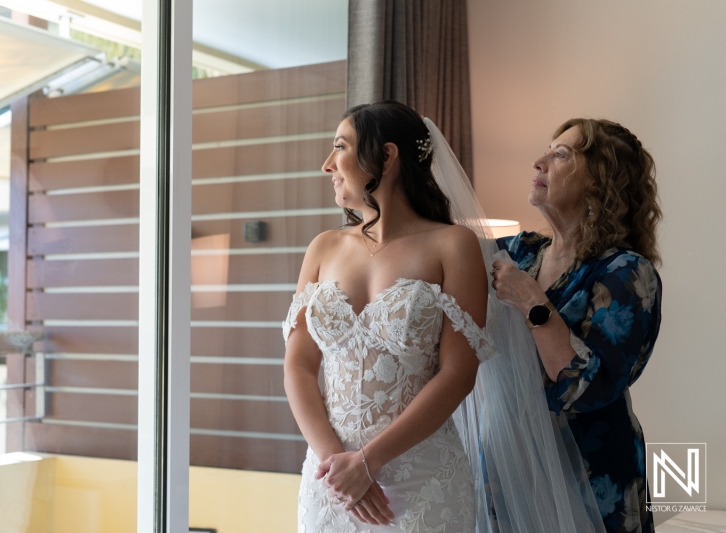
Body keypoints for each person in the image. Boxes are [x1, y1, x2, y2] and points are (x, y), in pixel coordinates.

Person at [282, 101, 491, 531]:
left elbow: (458, 373)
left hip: (421, 480)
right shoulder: (323, 248)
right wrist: (337, 467)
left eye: (339, 147)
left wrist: (367, 461)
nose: (327, 165)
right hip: (330, 479)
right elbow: (299, 364)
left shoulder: (453, 245)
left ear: (387, 156)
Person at [491, 118, 662, 533]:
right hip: (511, 463)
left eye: (561, 154)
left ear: (600, 182)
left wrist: (532, 299)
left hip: (593, 474)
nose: (539, 162)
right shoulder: (519, 252)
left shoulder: (627, 273)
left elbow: (586, 386)